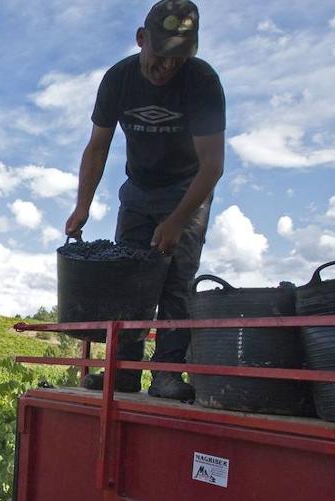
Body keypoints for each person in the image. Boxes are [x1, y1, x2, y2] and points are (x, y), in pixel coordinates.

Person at [64, 0, 224, 401]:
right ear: (141, 39)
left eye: (179, 57)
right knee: (128, 280)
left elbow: (212, 166)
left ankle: (167, 375)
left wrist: (176, 220)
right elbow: (97, 147)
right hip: (138, 189)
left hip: (188, 189)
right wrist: (82, 205)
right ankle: (125, 373)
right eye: (161, 55)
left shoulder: (202, 82)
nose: (168, 66)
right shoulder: (118, 80)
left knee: (175, 281)